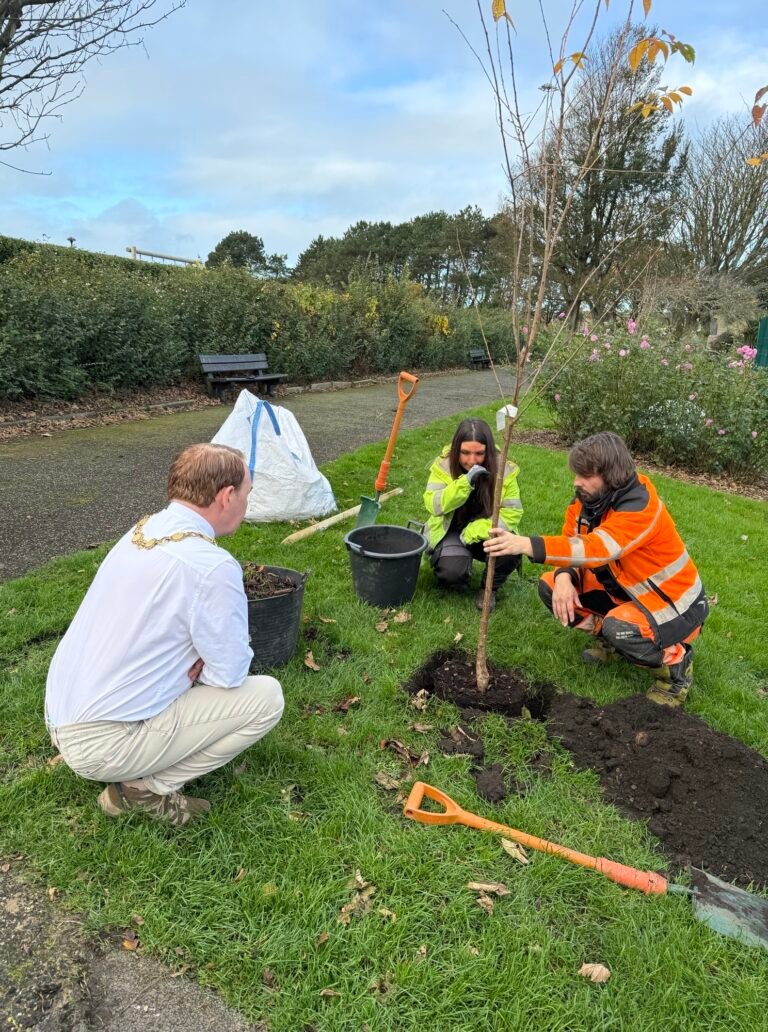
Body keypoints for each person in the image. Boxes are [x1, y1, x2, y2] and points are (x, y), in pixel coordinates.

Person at [45, 443, 284, 825]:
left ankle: (127, 762)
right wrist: (199, 665)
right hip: (102, 742)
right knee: (267, 699)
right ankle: (143, 790)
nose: (246, 503)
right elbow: (230, 674)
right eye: (247, 494)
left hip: (62, 714)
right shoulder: (212, 566)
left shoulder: (143, 530)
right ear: (227, 496)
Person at [484, 431, 708, 706]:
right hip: (626, 590)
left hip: (673, 606)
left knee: (620, 628)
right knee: (550, 586)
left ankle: (676, 669)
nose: (576, 482)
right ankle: (612, 643)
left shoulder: (641, 508)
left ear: (611, 476)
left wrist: (525, 544)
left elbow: (596, 548)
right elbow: (571, 541)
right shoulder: (587, 500)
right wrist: (564, 577)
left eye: (585, 475)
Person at [424, 417, 523, 611]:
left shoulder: (504, 469)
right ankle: (458, 564)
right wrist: (465, 483)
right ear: (456, 449)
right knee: (452, 572)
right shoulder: (443, 466)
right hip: (452, 531)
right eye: (465, 453)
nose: (472, 460)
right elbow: (434, 505)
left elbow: (512, 512)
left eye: (479, 453)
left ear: (488, 451)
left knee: (511, 550)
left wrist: (474, 531)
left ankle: (488, 589)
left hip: (485, 531)